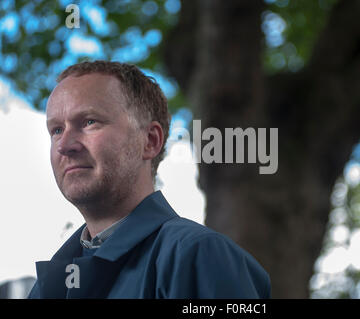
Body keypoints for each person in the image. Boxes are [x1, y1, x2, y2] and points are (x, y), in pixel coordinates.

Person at [27, 61, 271, 299]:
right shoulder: (48, 285)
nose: (65, 146)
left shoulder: (198, 257)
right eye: (56, 130)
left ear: (150, 141)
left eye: (90, 122)